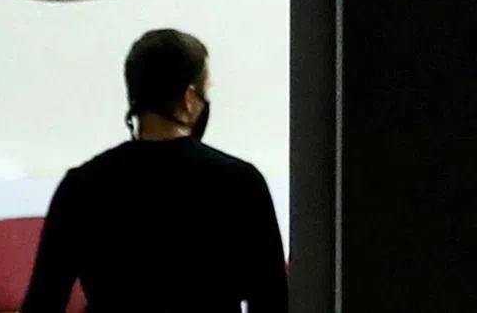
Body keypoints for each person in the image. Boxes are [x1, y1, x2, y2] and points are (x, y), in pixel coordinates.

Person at [20, 29, 288, 312]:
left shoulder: (82, 185)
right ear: (188, 98)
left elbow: (44, 300)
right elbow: (271, 299)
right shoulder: (241, 182)